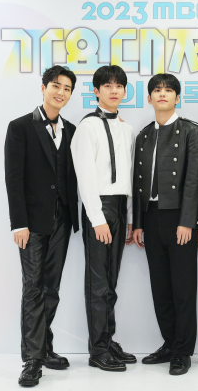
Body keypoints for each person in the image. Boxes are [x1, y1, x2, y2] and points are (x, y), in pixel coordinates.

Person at [4, 65, 79, 386]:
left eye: (67, 88)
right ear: (43, 87)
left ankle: (44, 347)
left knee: (51, 288)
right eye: (56, 86)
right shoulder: (20, 126)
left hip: (63, 219)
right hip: (32, 223)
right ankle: (32, 360)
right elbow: (13, 178)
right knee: (33, 288)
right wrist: (18, 223)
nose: (61, 92)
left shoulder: (72, 130)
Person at [132, 73, 198, 375]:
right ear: (149, 98)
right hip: (151, 216)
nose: (162, 94)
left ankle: (183, 351)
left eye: (169, 90)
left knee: (183, 287)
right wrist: (137, 223)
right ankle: (170, 343)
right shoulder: (144, 135)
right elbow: (137, 183)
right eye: (157, 90)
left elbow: (194, 180)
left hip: (179, 218)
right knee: (160, 287)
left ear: (178, 97)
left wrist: (188, 221)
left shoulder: (191, 131)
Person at [70, 65, 136, 372]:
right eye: (107, 86)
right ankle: (97, 349)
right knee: (97, 281)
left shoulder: (127, 128)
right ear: (96, 91)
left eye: (118, 85)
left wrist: (130, 218)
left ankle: (107, 341)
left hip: (120, 207)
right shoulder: (88, 126)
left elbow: (129, 177)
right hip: (99, 207)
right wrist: (96, 218)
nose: (113, 90)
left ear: (124, 91)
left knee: (111, 281)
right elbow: (84, 175)